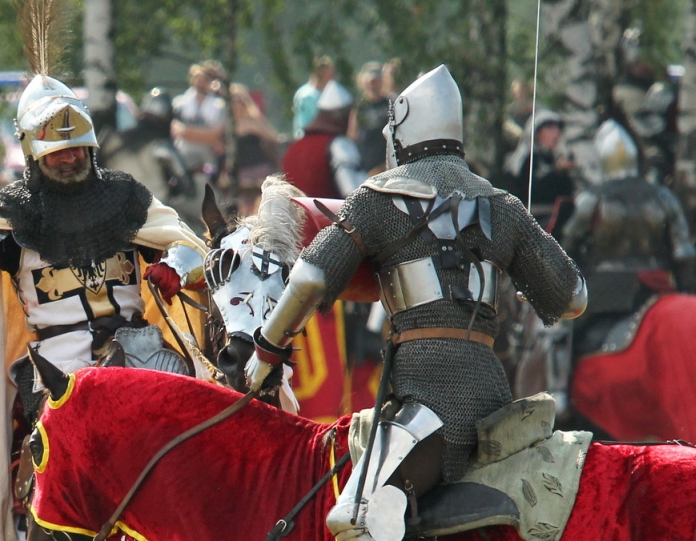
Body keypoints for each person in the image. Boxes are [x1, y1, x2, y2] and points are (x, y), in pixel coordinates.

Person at [246, 65, 587, 540]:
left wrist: (266, 350)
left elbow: (308, 277)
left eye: (392, 124)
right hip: (492, 393)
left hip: (426, 401)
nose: (387, 133)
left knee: (357, 520)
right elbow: (572, 297)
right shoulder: (503, 204)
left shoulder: (377, 197)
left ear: (403, 126)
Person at [0, 72, 209, 540]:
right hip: (60, 367)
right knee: (64, 458)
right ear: (35, 153)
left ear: (90, 146)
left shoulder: (127, 199)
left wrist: (176, 265)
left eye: (76, 148)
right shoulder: (15, 215)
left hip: (143, 354)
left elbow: (188, 244)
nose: (68, 157)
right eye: (57, 151)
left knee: (196, 437)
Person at [561, 119, 695, 359]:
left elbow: (567, 246)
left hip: (603, 290)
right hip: (657, 287)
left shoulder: (593, 198)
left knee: (560, 336)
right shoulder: (662, 195)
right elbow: (683, 253)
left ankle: (561, 392)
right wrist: (683, 290)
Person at [100, 87, 204, 233]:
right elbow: (188, 188)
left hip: (115, 217)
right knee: (196, 235)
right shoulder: (162, 146)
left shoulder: (111, 140)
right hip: (156, 217)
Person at [281, 80, 368, 199]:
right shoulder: (340, 145)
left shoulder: (294, 147)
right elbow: (355, 194)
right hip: (332, 217)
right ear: (341, 117)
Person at [504, 109, 578, 235]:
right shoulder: (527, 158)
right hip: (530, 225)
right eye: (549, 128)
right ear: (536, 133)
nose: (556, 133)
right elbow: (532, 190)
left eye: (557, 128)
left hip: (555, 221)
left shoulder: (554, 158)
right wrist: (557, 172)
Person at [229, 83, 281, 216]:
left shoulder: (253, 120)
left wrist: (254, 129)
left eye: (239, 100)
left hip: (259, 168)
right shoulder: (228, 124)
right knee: (243, 209)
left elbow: (273, 137)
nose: (237, 104)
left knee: (261, 205)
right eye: (234, 100)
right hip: (241, 171)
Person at [171, 62, 227, 183]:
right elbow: (175, 130)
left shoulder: (219, 106)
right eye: (197, 79)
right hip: (183, 157)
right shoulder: (179, 104)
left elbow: (216, 134)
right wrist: (206, 136)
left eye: (204, 80)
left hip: (209, 161)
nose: (199, 84)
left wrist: (186, 132)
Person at [348, 61, 391, 175]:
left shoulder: (389, 103)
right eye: (371, 81)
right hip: (368, 164)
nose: (373, 84)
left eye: (376, 81)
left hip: (388, 162)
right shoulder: (360, 106)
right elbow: (352, 135)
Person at [292, 55, 335, 139]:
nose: (332, 77)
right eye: (329, 74)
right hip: (308, 139)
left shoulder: (327, 93)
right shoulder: (307, 96)